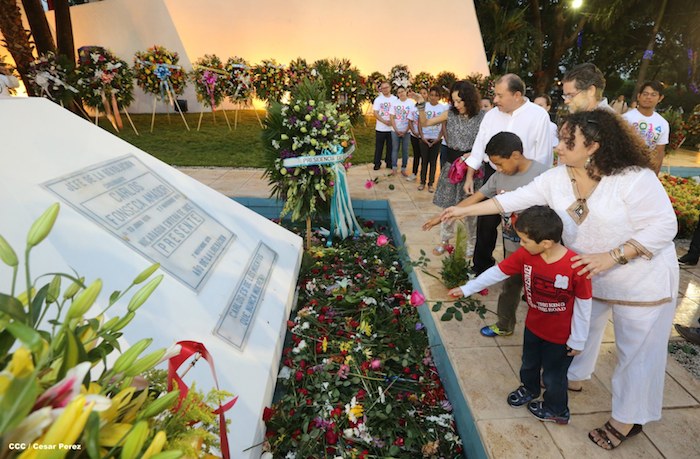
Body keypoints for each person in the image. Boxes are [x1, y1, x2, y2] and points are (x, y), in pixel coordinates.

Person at [441, 108, 679, 450]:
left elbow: (664, 227)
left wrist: (612, 256)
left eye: (568, 142)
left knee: (637, 353)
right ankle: (574, 376)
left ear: (594, 146)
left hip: (641, 279)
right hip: (589, 274)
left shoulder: (634, 177)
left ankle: (627, 419)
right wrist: (461, 209)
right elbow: (510, 200)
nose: (558, 147)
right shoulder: (557, 178)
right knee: (582, 329)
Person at [449, 205, 592, 425]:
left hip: (560, 336)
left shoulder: (576, 266)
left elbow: (584, 304)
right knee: (529, 363)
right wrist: (468, 288)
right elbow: (497, 272)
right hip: (534, 326)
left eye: (525, 240)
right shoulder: (526, 255)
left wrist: (578, 339)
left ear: (546, 243)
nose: (521, 244)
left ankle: (557, 409)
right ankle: (529, 388)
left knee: (554, 376)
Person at [424, 132, 549, 337]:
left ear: (515, 155)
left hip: (542, 250)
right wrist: (444, 215)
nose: (497, 169)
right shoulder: (499, 176)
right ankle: (505, 324)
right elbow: (476, 198)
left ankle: (547, 335)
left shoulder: (542, 175)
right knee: (510, 286)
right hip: (513, 246)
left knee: (542, 292)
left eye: (499, 164)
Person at [464, 74, 553, 276]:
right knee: (485, 223)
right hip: (494, 174)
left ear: (517, 95)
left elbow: (543, 156)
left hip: (526, 179)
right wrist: (470, 176)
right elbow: (479, 146)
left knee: (518, 229)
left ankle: (517, 271)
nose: (495, 100)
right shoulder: (491, 116)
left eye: (500, 95)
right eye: (494, 95)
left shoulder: (538, 115)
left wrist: (534, 187)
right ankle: (481, 267)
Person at [414, 81, 485, 255]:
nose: (457, 104)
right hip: (452, 167)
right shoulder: (450, 114)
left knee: (470, 210)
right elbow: (425, 123)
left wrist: (472, 155)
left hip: (472, 168)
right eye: (454, 101)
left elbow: (487, 142)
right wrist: (421, 105)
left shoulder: (482, 117)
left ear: (469, 98)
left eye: (460, 101)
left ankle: (471, 244)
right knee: (447, 206)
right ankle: (444, 241)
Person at [622, 81, 669, 174]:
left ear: (660, 98)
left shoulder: (663, 124)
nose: (648, 97)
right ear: (639, 96)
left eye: (653, 94)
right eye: (645, 94)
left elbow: (659, 153)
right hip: (624, 169)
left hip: (645, 172)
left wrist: (654, 176)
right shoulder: (625, 119)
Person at [415, 86, 448, 192]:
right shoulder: (424, 106)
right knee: (424, 161)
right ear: (429, 95)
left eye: (436, 95)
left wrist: (438, 138)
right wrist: (422, 137)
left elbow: (443, 125)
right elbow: (420, 122)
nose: (433, 97)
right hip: (424, 138)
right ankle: (422, 182)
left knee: (433, 162)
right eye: (432, 95)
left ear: (439, 97)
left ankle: (431, 183)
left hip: (436, 139)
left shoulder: (443, 108)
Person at [389, 87, 416, 176]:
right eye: (399, 92)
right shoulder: (394, 103)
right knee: (395, 149)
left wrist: (406, 130)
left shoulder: (411, 103)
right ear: (397, 94)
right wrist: (396, 130)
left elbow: (412, 118)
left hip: (407, 131)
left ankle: (404, 168)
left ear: (406, 92)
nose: (401, 93)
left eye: (402, 91)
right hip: (395, 130)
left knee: (405, 150)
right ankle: (394, 168)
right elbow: (392, 117)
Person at [372, 81, 398, 170]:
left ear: (390, 88)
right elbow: (375, 113)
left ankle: (389, 162)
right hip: (380, 128)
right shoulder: (378, 99)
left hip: (391, 128)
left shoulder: (395, 99)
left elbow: (397, 112)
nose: (385, 89)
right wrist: (384, 121)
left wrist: (392, 121)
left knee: (390, 147)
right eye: (383, 88)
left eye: (386, 87)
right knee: (379, 147)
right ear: (381, 89)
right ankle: (377, 163)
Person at [406, 87, 428, 181]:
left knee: (425, 157)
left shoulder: (429, 107)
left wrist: (422, 134)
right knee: (416, 155)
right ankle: (414, 173)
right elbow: (410, 121)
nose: (422, 95)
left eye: (424, 93)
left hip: (425, 136)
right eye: (421, 93)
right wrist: (414, 132)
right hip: (414, 135)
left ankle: (424, 176)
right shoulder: (413, 107)